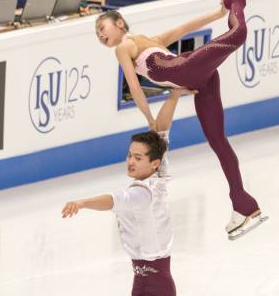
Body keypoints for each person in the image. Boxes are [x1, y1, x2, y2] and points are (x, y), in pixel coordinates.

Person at [95, 0, 266, 239]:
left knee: (239, 33)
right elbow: (184, 29)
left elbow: (136, 86)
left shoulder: (126, 46)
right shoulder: (145, 42)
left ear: (119, 23)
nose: (99, 35)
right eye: (97, 33)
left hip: (187, 67)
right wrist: (216, 14)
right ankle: (243, 205)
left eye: (101, 28)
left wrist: (150, 120)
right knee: (218, 141)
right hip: (193, 76)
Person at [62, 88, 189, 296]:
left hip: (157, 286)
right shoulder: (158, 174)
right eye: (130, 155)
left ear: (153, 163)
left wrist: (82, 203)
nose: (130, 161)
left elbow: (114, 200)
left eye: (138, 158)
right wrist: (174, 95)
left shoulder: (142, 194)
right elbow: (162, 132)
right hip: (142, 279)